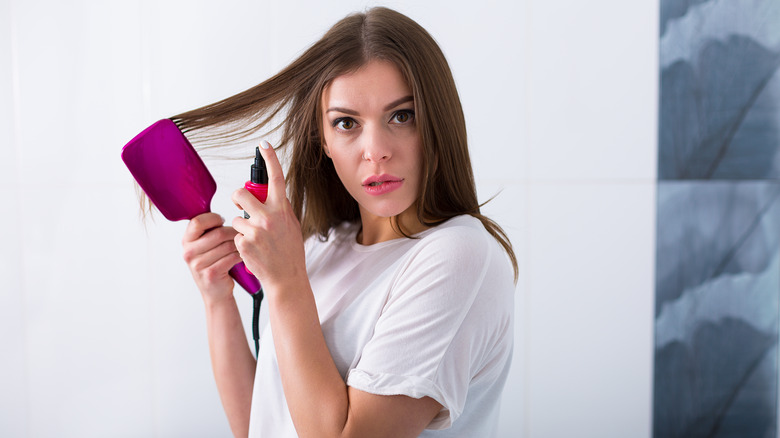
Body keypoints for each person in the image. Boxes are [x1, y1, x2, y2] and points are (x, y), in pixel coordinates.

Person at [175, 7, 517, 438]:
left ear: (438, 122)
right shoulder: (321, 246)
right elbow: (262, 424)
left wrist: (286, 283)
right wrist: (218, 300)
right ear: (324, 140)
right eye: (347, 123)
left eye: (401, 115)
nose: (375, 151)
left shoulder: (458, 256)